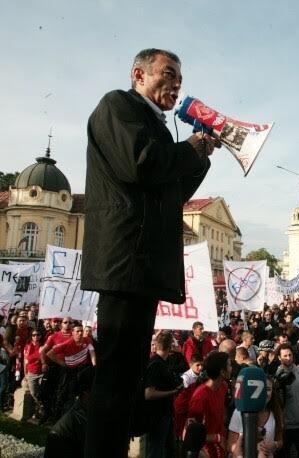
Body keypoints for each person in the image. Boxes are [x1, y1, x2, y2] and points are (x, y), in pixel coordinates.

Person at [81, 47, 216, 458]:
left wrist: (201, 155)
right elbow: (141, 163)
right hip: (124, 264)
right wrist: (189, 150)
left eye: (180, 78)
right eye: (168, 74)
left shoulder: (156, 126)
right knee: (115, 382)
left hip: (142, 267)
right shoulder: (118, 105)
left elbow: (169, 191)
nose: (176, 84)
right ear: (138, 74)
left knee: (127, 382)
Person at [188, 351, 232, 458]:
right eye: (229, 365)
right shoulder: (200, 396)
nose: (232, 368)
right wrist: (216, 438)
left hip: (221, 444)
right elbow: (190, 432)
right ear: (222, 372)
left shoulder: (223, 386)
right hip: (206, 449)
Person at [143, 332, 181, 458]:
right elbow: (149, 393)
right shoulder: (155, 364)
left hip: (165, 414)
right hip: (158, 415)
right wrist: (172, 392)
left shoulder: (162, 362)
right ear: (170, 346)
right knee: (156, 450)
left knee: (168, 450)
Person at [227, 376, 284, 458]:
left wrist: (275, 445)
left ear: (272, 391)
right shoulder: (239, 412)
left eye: (268, 389)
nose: (264, 393)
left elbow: (280, 441)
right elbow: (230, 445)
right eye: (260, 389)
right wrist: (252, 448)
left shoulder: (276, 412)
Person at [274, 343, 299, 458]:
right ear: (279, 358)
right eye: (285, 356)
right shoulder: (278, 376)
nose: (288, 358)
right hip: (286, 426)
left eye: (290, 355)